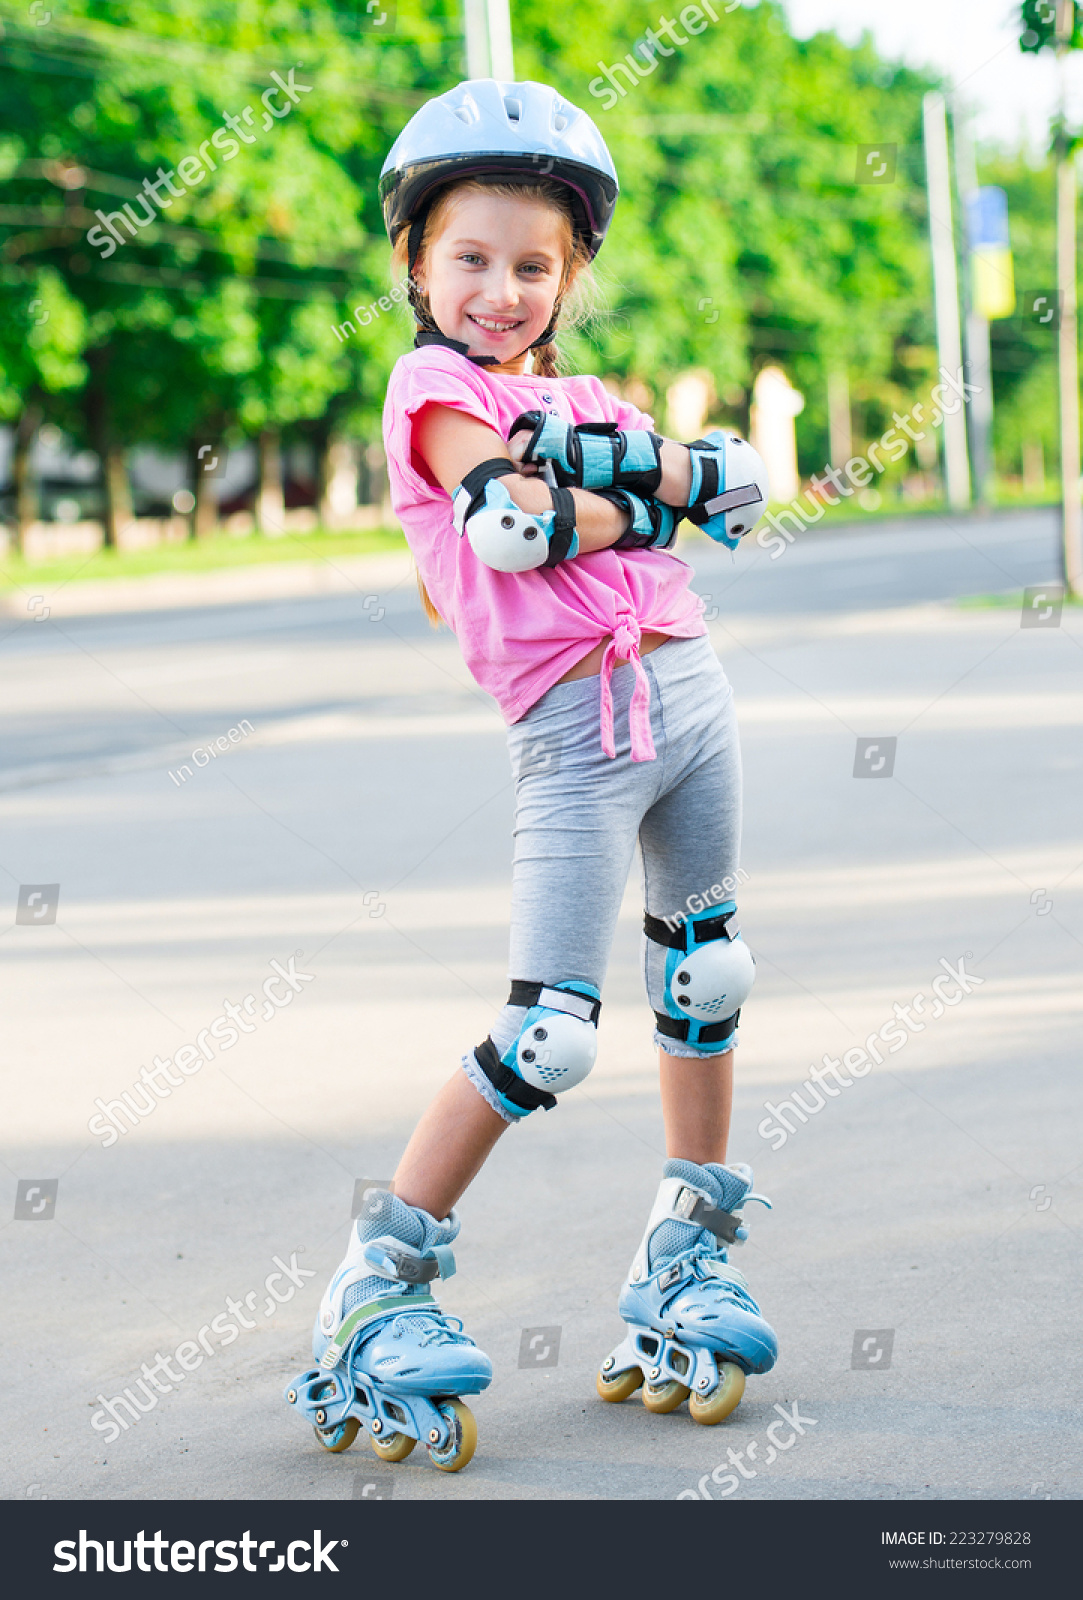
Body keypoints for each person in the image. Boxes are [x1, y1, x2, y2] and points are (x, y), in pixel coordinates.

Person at [284, 78, 775, 1474]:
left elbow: (738, 485)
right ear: (416, 263)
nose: (502, 290)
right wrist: (648, 490)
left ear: (572, 276)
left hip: (689, 692)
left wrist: (619, 482)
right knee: (553, 1031)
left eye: (533, 266)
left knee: (707, 972)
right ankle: (377, 1281)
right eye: (472, 259)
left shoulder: (573, 393)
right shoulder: (429, 387)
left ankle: (687, 1251)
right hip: (573, 727)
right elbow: (509, 527)